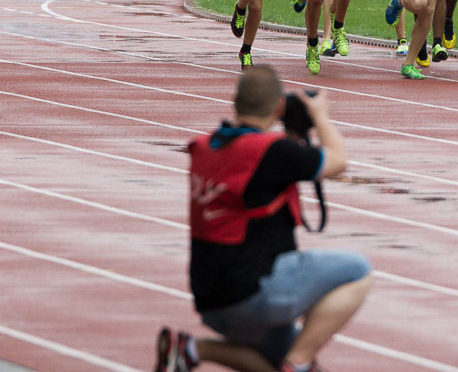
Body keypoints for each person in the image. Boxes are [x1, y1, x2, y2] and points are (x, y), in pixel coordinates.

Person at [154, 66, 372, 372]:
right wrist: (320, 115)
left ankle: (192, 349)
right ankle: (298, 364)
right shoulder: (271, 152)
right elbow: (338, 161)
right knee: (358, 270)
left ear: (236, 103)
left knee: (274, 363)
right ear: (279, 106)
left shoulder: (206, 147)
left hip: (210, 300)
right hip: (254, 293)